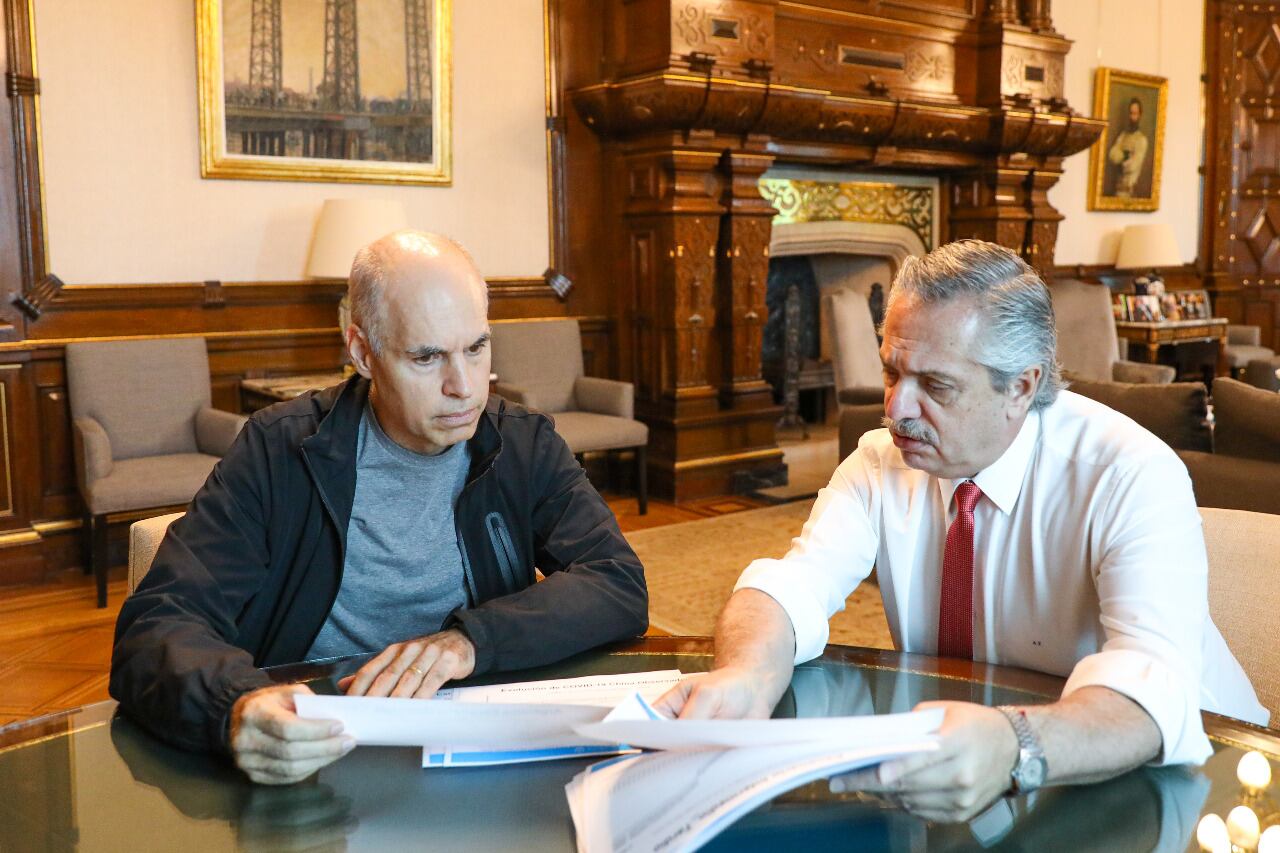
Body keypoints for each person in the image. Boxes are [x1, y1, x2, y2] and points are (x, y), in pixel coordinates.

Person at [656, 240, 1265, 823]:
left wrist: (1014, 744)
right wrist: (746, 676)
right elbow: (791, 588)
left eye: (935, 385)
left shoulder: (1128, 474)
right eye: (892, 373)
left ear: (1021, 387)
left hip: (1204, 778)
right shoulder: (879, 462)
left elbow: (1153, 690)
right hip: (987, 768)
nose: (895, 409)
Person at [111, 231, 648, 785]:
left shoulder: (522, 442)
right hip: (314, 747)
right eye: (427, 357)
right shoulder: (279, 450)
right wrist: (236, 705)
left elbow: (617, 582)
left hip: (470, 747)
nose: (464, 387)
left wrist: (471, 641)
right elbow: (159, 623)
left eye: (476, 348)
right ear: (363, 353)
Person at [1107, 98, 1150, 198]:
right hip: (1117, 190)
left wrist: (1121, 157)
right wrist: (1126, 155)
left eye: (1135, 113)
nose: (1132, 117)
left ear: (1139, 115)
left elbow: (1131, 166)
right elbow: (1112, 155)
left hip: (1129, 192)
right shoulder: (1123, 136)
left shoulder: (1141, 140)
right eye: (1130, 113)